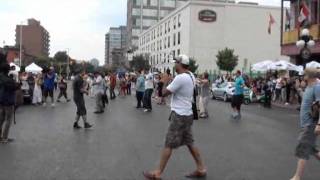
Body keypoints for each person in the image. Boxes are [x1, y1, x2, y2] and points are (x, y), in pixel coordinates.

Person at [143, 54, 206, 180]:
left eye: (175, 62)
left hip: (180, 115)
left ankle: (158, 173)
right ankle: (201, 169)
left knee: (169, 143)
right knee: (190, 142)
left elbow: (163, 94)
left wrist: (164, 81)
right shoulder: (191, 75)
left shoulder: (181, 78)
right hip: (187, 114)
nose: (174, 65)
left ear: (179, 64)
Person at [290, 68, 320, 180]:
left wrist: (319, 125)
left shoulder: (317, 87)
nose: (303, 76)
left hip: (310, 124)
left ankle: (297, 177)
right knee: (312, 149)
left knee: (303, 147)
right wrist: (298, 89)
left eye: (305, 74)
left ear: (310, 76)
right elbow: (306, 99)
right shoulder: (309, 86)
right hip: (306, 124)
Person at [0, 62, 17, 143]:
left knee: (1, 119)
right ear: (8, 70)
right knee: (8, 120)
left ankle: (1, 137)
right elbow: (14, 87)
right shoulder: (8, 79)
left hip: (1, 100)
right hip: (8, 101)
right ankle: (4, 138)